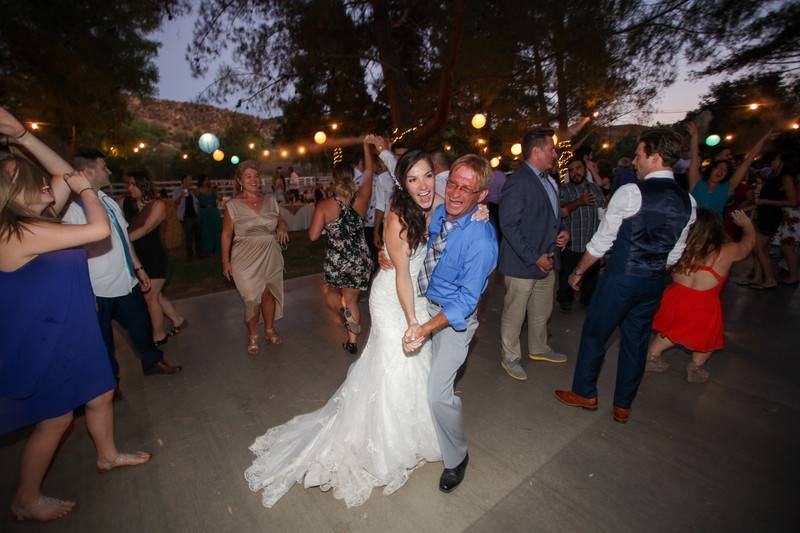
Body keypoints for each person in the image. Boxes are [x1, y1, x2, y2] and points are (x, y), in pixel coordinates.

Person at [245, 149, 445, 508]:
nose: (423, 185)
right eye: (413, 179)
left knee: (416, 365)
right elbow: (401, 274)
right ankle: (387, 440)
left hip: (417, 294)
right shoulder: (399, 215)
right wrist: (413, 320)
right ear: (403, 183)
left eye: (427, 176)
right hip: (395, 299)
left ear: (435, 176)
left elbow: (458, 203)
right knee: (393, 363)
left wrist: (477, 209)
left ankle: (418, 430)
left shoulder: (433, 199)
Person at [0, 108, 149, 522]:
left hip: (71, 325)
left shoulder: (38, 219)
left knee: (100, 391)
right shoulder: (18, 231)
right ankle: (25, 498)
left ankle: (108, 455)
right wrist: (88, 193)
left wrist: (23, 135)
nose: (42, 179)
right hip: (43, 336)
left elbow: (66, 175)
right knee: (56, 418)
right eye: (27, 176)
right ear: (13, 192)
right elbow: (98, 229)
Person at [554, 128, 696, 424]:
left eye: (639, 154)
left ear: (655, 157)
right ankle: (623, 405)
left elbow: (601, 242)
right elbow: (675, 251)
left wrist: (578, 271)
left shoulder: (631, 192)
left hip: (621, 278)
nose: (634, 161)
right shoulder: (688, 202)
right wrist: (654, 267)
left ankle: (585, 393)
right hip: (654, 281)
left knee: (595, 333)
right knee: (636, 341)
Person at [401, 154, 498, 493]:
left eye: (467, 189)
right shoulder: (442, 210)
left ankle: (457, 458)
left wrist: (427, 328)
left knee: (438, 392)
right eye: (453, 184)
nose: (455, 193)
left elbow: (466, 302)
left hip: (455, 322)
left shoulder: (482, 241)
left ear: (481, 195)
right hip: (425, 304)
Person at [66, 152, 182, 380]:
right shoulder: (74, 208)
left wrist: (138, 267)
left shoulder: (107, 201)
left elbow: (123, 238)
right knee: (103, 338)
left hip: (125, 281)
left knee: (141, 326)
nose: (108, 171)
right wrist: (81, 288)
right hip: (97, 287)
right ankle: (111, 382)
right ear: (88, 172)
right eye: (104, 167)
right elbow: (71, 250)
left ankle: (153, 362)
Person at [647, 209, 755, 383]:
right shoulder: (726, 251)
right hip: (703, 304)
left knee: (671, 330)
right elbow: (747, 245)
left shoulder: (681, 247)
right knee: (706, 338)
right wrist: (748, 226)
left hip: (674, 298)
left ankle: (653, 356)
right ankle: (696, 367)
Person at [498, 128, 570, 382]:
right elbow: (508, 225)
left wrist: (562, 232)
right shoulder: (518, 181)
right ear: (536, 151)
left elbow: (552, 217)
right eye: (551, 149)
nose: (555, 154)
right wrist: (533, 256)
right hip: (522, 262)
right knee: (515, 312)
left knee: (542, 310)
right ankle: (510, 356)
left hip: (547, 260)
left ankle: (539, 348)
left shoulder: (549, 180)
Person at [308, 140, 374, 354]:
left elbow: (313, 236)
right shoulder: (362, 198)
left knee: (330, 294)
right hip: (360, 259)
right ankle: (352, 342)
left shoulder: (325, 205)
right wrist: (366, 146)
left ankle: (342, 310)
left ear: (333, 181)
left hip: (337, 260)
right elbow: (370, 170)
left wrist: (327, 223)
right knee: (353, 299)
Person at [222, 161, 289, 354]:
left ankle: (269, 329)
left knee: (268, 293)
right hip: (244, 256)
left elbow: (279, 218)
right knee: (251, 297)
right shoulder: (232, 205)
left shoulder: (270, 200)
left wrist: (282, 225)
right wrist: (225, 261)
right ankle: (253, 335)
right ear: (239, 181)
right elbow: (226, 234)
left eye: (256, 176)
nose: (254, 180)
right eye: (248, 176)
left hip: (270, 252)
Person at [127, 170, 186, 345]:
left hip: (154, 256)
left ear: (142, 185)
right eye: (128, 184)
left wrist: (122, 240)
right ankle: (177, 319)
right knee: (156, 295)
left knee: (150, 296)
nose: (129, 188)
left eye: (132, 184)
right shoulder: (126, 204)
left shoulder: (157, 205)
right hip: (135, 256)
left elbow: (145, 228)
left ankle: (158, 335)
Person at [687, 122, 772, 217]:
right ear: (711, 169)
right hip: (693, 229)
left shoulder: (727, 188)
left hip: (715, 230)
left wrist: (763, 140)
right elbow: (694, 158)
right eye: (718, 167)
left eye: (725, 170)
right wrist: (694, 137)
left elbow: (748, 161)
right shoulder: (696, 182)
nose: (721, 171)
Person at [557, 157, 604, 313]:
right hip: (572, 245)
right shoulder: (564, 190)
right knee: (566, 279)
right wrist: (579, 202)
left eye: (578, 168)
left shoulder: (595, 189)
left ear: (585, 169)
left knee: (590, 280)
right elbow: (561, 212)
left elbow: (602, 215)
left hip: (591, 246)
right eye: (571, 170)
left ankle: (587, 302)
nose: (574, 173)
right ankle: (565, 301)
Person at [749, 153, 798, 289]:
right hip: (765, 214)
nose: (773, 160)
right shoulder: (774, 176)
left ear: (782, 162)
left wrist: (766, 201)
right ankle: (759, 278)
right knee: (761, 248)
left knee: (758, 247)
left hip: (771, 215)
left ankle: (770, 279)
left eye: (776, 158)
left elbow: (793, 201)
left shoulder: (785, 177)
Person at [171, 175, 201, 258]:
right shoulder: (177, 191)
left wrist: (198, 213)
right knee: (189, 237)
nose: (191, 181)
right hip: (186, 217)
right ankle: (190, 255)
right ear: (184, 180)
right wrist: (181, 195)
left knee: (198, 236)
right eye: (189, 180)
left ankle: (199, 254)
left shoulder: (191, 191)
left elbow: (196, 203)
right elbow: (175, 203)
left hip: (195, 217)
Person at [197, 175, 222, 256]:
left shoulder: (213, 190)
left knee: (217, 230)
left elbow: (220, 198)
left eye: (208, 180)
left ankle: (217, 250)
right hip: (204, 213)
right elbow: (196, 202)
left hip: (214, 212)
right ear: (202, 181)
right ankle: (208, 250)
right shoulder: (197, 190)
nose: (207, 181)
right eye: (206, 180)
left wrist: (216, 191)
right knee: (207, 231)